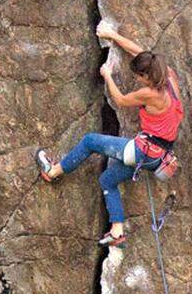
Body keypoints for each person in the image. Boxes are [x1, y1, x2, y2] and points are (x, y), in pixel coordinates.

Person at [36, 21, 184, 246]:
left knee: (89, 141)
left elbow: (122, 100)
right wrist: (112, 35)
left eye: (139, 76)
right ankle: (117, 232)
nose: (137, 79)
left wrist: (107, 75)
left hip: (142, 151)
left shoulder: (151, 94)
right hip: (159, 157)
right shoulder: (170, 77)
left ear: (147, 77)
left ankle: (53, 171)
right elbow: (140, 53)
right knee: (107, 180)